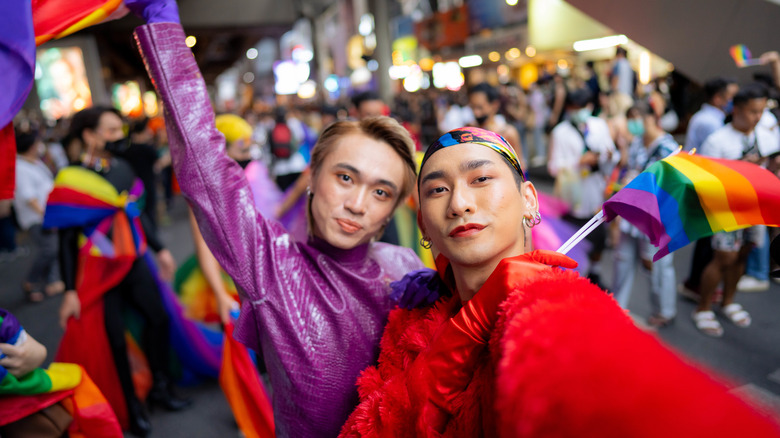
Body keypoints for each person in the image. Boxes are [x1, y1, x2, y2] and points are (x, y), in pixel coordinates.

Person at [340, 127, 780, 437]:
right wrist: (467, 326)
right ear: (423, 224)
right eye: (438, 190)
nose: (459, 203)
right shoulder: (409, 318)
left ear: (528, 199)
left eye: (481, 179)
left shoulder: (557, 309)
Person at [129, 4, 429, 436]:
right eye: (345, 177)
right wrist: (164, 28)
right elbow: (206, 167)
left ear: (391, 210)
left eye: (381, 192)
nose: (358, 203)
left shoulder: (408, 269)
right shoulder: (274, 266)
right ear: (312, 179)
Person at [53, 106, 189, 436]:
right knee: (113, 341)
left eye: (119, 130)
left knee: (158, 319)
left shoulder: (124, 168)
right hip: (98, 270)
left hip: (133, 261)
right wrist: (70, 289)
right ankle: (131, 407)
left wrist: (161, 250)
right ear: (90, 135)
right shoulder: (70, 178)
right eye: (111, 130)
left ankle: (160, 386)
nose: (119, 137)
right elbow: (66, 240)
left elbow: (136, 215)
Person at [695, 83, 780, 337]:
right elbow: (705, 182)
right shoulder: (717, 140)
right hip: (727, 209)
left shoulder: (765, 136)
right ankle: (703, 308)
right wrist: (740, 168)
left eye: (761, 111)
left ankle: (728, 302)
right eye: (753, 111)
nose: (758, 117)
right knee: (723, 258)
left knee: (743, 255)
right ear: (738, 109)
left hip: (756, 207)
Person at [612, 104, 678, 327]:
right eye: (630, 118)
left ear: (652, 117)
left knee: (657, 264)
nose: (633, 123)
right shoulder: (637, 142)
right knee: (623, 259)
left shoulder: (669, 147)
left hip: (655, 215)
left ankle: (664, 310)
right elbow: (629, 168)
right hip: (632, 210)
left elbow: (671, 185)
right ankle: (616, 306)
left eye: (636, 118)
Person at [548, 88, 617, 287]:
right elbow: (553, 167)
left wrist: (609, 157)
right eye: (575, 108)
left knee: (598, 235)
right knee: (573, 236)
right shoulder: (560, 132)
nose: (579, 111)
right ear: (569, 108)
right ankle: (571, 277)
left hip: (595, 188)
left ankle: (594, 273)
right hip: (572, 194)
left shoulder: (599, 125)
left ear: (590, 107)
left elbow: (611, 152)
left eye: (583, 107)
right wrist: (578, 161)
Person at [679, 77, 740, 302]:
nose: (732, 103)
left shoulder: (706, 117)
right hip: (706, 180)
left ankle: (696, 282)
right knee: (705, 237)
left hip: (702, 177)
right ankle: (696, 283)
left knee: (705, 235)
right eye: (730, 98)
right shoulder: (712, 123)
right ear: (718, 98)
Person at [13, 128, 63, 302]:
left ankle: (52, 281)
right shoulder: (20, 167)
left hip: (47, 213)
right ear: (31, 146)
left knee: (52, 247)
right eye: (37, 143)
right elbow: (29, 197)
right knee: (49, 249)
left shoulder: (35, 162)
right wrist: (47, 215)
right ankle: (31, 282)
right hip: (36, 217)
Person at [468, 82, 525, 170]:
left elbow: (520, 167)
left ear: (494, 105)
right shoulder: (468, 132)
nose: (476, 113)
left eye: (480, 107)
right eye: (472, 107)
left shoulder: (507, 132)